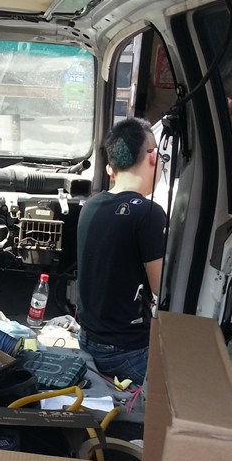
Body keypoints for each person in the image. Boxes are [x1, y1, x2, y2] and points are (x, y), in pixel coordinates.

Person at [76, 116, 166, 386]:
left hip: (87, 340)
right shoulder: (149, 214)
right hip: (126, 354)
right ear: (153, 157)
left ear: (111, 168)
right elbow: (164, 289)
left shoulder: (91, 205)